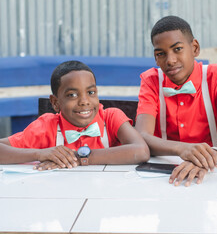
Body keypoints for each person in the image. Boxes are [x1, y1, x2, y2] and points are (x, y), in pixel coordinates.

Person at [135, 16, 217, 186]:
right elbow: (141, 136)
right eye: (161, 54)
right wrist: (182, 149)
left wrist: (207, 158)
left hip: (213, 172)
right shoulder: (151, 80)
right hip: (163, 175)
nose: (170, 60)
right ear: (155, 57)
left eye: (178, 49)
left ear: (195, 48)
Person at [0, 61, 150, 170]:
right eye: (72, 95)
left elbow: (141, 151)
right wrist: (41, 154)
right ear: (55, 102)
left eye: (91, 93)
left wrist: (79, 157)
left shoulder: (111, 118)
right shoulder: (46, 126)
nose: (84, 101)